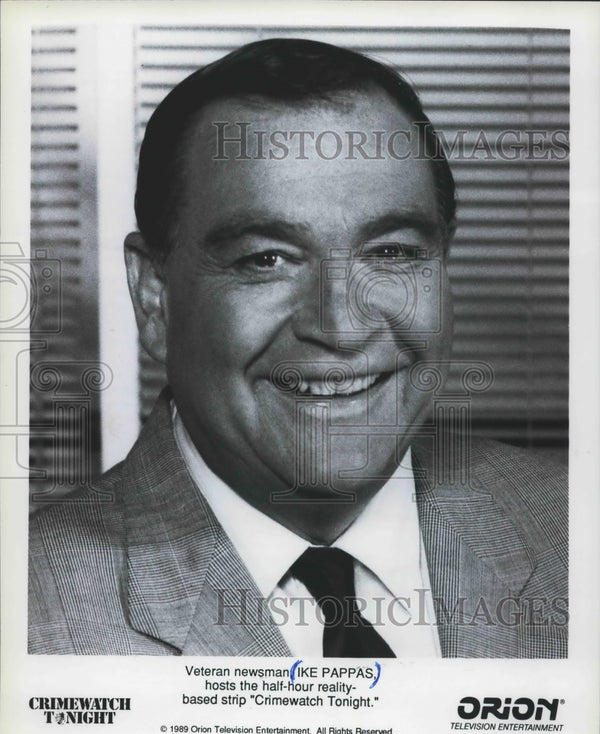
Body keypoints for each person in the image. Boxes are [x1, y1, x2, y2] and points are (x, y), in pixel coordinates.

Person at [29, 38, 567, 658]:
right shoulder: (33, 619)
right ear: (155, 295)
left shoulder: (575, 532)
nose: (340, 328)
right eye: (267, 259)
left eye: (390, 251)